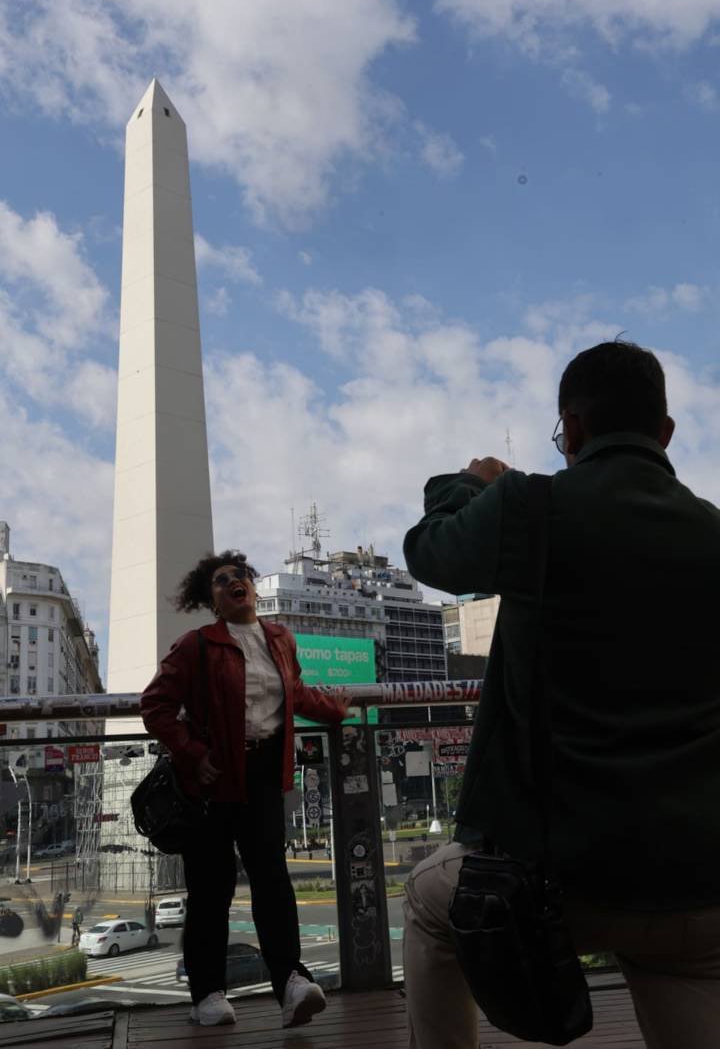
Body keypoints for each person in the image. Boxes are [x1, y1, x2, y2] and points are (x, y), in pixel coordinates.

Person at [401, 341, 720, 1049]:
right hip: (697, 876)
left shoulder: (530, 506)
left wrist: (468, 482)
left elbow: (429, 549)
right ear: (665, 432)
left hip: (558, 876)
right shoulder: (713, 532)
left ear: (570, 430)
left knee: (429, 902)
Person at [140, 550, 350, 1029]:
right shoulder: (195, 645)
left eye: (241, 576)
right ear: (211, 601)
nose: (234, 583)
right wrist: (195, 753)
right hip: (211, 781)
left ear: (254, 588)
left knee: (273, 881)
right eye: (221, 581)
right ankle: (208, 995)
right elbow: (155, 705)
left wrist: (334, 711)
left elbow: (293, 693)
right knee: (211, 890)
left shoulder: (280, 639)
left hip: (262, 775)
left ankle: (293, 983)